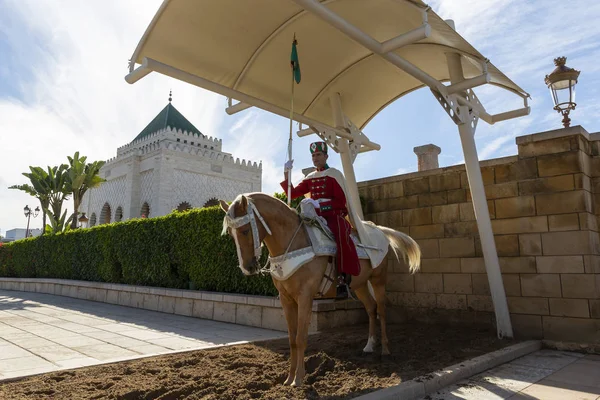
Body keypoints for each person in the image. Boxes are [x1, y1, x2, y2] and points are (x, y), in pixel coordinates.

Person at [281, 141, 360, 299]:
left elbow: (340, 202)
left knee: (340, 234)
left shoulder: (334, 174)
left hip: (332, 215)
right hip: (314, 216)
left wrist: (320, 204)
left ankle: (342, 279)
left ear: (326, 156)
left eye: (318, 155)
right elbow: (293, 194)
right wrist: (286, 174)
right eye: (313, 156)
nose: (315, 158)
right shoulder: (311, 177)